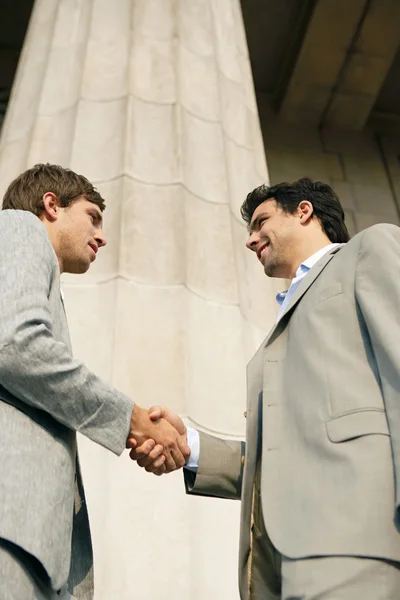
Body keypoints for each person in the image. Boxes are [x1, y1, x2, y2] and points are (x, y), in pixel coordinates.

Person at [131, 177, 400, 599]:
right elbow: (282, 457)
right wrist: (190, 447)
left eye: (261, 222)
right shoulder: (281, 322)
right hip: (274, 568)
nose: (250, 240)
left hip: (358, 541)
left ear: (304, 211)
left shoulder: (371, 250)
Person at [0, 163, 189, 600]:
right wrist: (133, 419)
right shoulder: (19, 229)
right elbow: (14, 345)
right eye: (93, 217)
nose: (102, 236)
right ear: (51, 205)